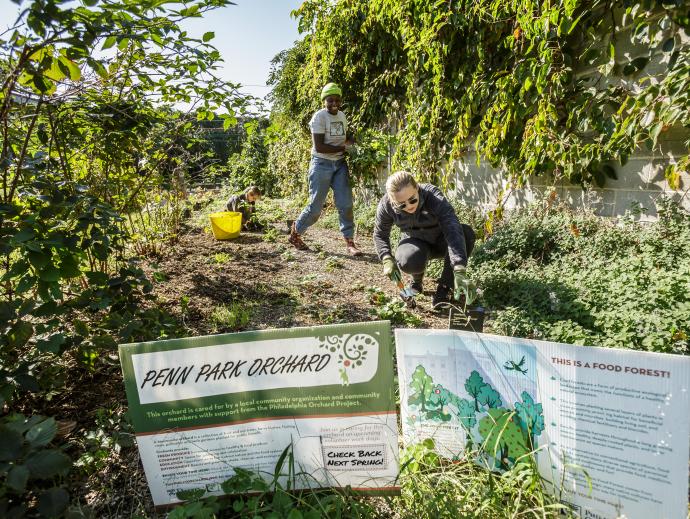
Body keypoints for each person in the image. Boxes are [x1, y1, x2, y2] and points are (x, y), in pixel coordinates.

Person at [373, 171, 476, 308]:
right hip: (415, 242)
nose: (409, 206)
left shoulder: (433, 196)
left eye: (412, 199)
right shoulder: (386, 205)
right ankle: (416, 282)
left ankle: (445, 289)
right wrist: (386, 257)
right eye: (402, 205)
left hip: (441, 242)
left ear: (417, 189)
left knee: (466, 233)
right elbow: (380, 234)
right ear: (392, 201)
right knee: (408, 260)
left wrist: (459, 268)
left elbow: (451, 226)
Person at [288, 82, 362, 256]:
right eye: (330, 100)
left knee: (346, 204)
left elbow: (343, 138)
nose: (334, 103)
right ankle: (296, 232)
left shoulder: (342, 116)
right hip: (321, 164)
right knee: (315, 207)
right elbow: (320, 147)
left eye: (337, 99)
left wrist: (354, 142)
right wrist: (345, 148)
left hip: (340, 164)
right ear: (324, 101)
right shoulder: (319, 118)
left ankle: (350, 242)